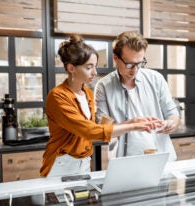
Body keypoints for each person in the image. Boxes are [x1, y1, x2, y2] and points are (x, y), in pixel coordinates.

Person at [40, 34, 163, 177]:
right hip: (61, 164)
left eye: (95, 66)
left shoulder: (87, 94)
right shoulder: (58, 96)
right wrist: (133, 126)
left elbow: (99, 128)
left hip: (84, 163)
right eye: (88, 67)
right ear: (71, 68)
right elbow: (89, 131)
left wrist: (133, 121)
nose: (95, 72)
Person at [94, 31, 181, 161]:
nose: (135, 69)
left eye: (140, 63)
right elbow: (103, 130)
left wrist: (171, 123)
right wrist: (131, 124)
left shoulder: (156, 79)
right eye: (129, 64)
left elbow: (173, 114)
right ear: (116, 58)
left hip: (161, 158)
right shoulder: (103, 87)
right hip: (124, 162)